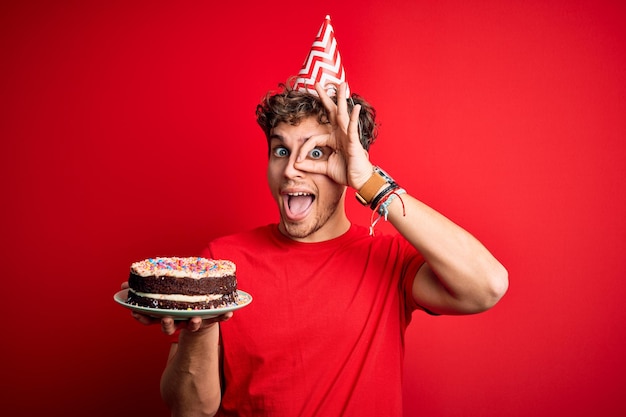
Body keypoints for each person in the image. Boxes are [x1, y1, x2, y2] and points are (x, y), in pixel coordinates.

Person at [125, 81, 508, 417]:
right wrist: (201, 329)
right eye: (280, 151)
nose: (291, 169)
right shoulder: (221, 266)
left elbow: (487, 285)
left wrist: (370, 182)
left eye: (317, 153)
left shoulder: (387, 260)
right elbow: (190, 410)